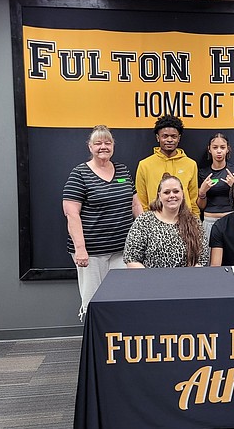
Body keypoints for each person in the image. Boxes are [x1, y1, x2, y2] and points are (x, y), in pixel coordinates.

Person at [62, 125, 142, 321]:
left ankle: (117, 343)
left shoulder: (123, 170)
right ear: (90, 147)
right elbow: (71, 214)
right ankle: (95, 346)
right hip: (92, 254)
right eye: (98, 143)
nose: (103, 147)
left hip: (123, 250)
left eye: (107, 142)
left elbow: (135, 203)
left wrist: (144, 232)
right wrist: (80, 249)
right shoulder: (79, 174)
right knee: (93, 302)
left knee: (122, 299)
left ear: (113, 146)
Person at [124, 174, 208, 268]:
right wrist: (149, 279)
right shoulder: (144, 222)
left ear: (182, 194)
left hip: (186, 280)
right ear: (159, 196)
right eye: (167, 192)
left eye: (176, 191)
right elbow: (131, 258)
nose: (172, 195)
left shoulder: (194, 222)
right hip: (151, 280)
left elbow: (202, 258)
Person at [135, 115, 200, 218]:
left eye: (173, 136)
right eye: (165, 136)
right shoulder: (145, 165)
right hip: (155, 222)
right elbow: (141, 200)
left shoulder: (190, 164)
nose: (169, 140)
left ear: (179, 138)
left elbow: (193, 200)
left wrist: (195, 221)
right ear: (158, 137)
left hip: (184, 221)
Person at [197, 133, 234, 239]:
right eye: (215, 147)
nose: (219, 151)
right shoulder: (203, 173)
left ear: (227, 149)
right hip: (209, 221)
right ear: (209, 149)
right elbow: (201, 206)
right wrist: (202, 193)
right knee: (209, 255)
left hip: (231, 220)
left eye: (222, 147)